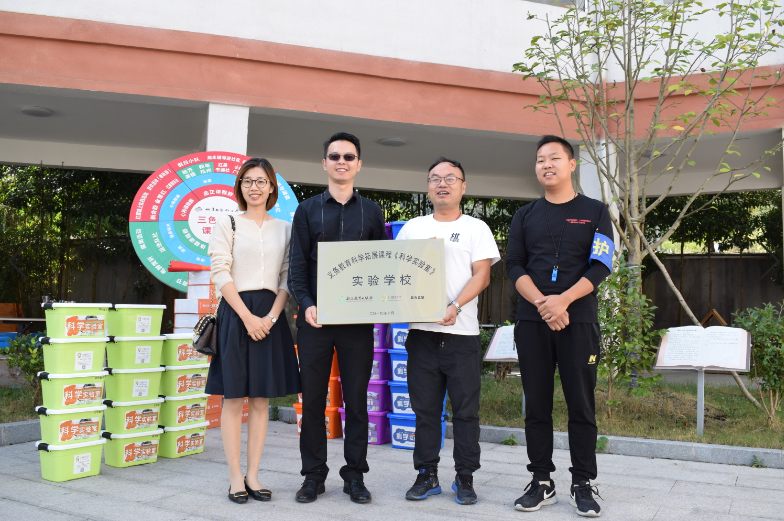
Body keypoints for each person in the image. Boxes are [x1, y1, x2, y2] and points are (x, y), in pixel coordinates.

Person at [505, 135, 614, 517]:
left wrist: (563, 301)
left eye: (554, 158)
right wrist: (543, 303)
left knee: (581, 404)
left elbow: (601, 265)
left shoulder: (595, 211)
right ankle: (541, 480)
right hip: (532, 320)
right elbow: (514, 265)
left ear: (571, 164)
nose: (546, 165)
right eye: (540, 160)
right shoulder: (525, 215)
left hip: (577, 319)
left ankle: (583, 482)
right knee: (536, 404)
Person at [288, 132, 386, 504]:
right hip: (315, 321)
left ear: (358, 164)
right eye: (334, 156)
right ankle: (313, 476)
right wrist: (306, 303)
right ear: (324, 163)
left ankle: (355, 476)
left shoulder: (372, 212)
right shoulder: (307, 210)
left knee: (357, 401)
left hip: (357, 324)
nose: (341, 162)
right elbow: (297, 266)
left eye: (348, 156)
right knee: (312, 400)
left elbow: (381, 267)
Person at [395, 157, 500, 505]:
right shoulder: (412, 228)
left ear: (463, 187)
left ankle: (465, 477)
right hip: (421, 335)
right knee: (425, 410)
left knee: (466, 411)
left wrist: (455, 305)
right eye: (435, 178)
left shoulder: (476, 228)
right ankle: (426, 474)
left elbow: (482, 275)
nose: (442, 184)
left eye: (450, 178)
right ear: (428, 187)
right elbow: (398, 274)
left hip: (462, 335)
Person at [206, 157, 301, 505]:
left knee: (261, 399)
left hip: (271, 316)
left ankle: (253, 475)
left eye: (261, 181)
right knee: (233, 398)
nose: (254, 187)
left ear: (271, 186)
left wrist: (272, 318)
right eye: (247, 181)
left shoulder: (285, 228)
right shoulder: (228, 222)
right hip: (235, 314)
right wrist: (247, 317)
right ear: (240, 186)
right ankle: (235, 477)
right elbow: (220, 271)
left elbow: (288, 276)